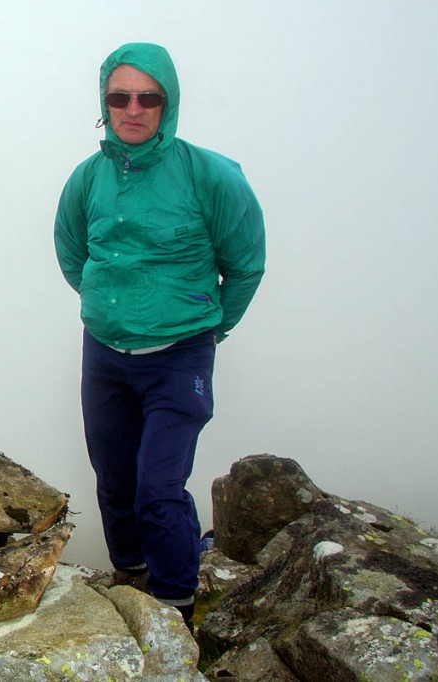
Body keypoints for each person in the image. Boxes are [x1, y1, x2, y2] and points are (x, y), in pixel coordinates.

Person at [53, 43, 265, 627]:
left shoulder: (209, 174)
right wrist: (113, 309)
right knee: (115, 480)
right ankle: (131, 576)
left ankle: (177, 611)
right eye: (120, 97)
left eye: (149, 97)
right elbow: (74, 254)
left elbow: (245, 265)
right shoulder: (88, 178)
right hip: (105, 353)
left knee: (159, 487)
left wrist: (207, 329)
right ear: (105, 103)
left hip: (181, 354)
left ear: (167, 103)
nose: (134, 108)